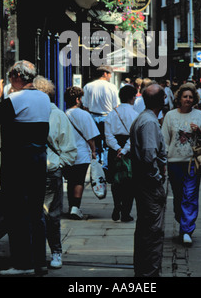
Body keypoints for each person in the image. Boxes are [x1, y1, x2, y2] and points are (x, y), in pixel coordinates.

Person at [0, 60, 51, 276]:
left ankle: (23, 263)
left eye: (12, 75)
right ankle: (39, 261)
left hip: (17, 161)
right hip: (38, 159)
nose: (10, 79)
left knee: (16, 211)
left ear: (18, 77)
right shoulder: (44, 97)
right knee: (35, 211)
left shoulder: (16, 98)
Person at [33, 76, 77, 269]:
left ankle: (56, 252)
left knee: (51, 215)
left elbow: (69, 147)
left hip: (50, 172)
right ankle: (36, 254)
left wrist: (57, 165)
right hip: (29, 172)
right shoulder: (27, 113)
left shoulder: (57, 115)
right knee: (35, 216)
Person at [162, 83, 201, 246]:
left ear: (194, 99)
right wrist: (164, 161)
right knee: (178, 196)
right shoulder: (170, 116)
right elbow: (164, 141)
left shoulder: (199, 115)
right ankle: (182, 220)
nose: (188, 99)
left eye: (190, 97)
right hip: (174, 162)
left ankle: (187, 230)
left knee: (190, 195)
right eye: (185, 97)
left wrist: (199, 133)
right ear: (179, 99)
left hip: (192, 162)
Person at [130, 83, 167, 277]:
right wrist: (157, 180)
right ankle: (149, 275)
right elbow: (149, 155)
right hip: (149, 185)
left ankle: (143, 273)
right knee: (152, 232)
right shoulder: (149, 122)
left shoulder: (144, 119)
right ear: (162, 100)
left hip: (143, 183)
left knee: (145, 230)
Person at [64, 86, 100, 219]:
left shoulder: (63, 114)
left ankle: (70, 206)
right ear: (78, 99)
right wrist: (94, 151)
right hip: (82, 153)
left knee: (70, 181)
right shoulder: (85, 115)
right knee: (79, 181)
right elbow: (90, 137)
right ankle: (75, 207)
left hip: (67, 153)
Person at [105, 84, 138, 222]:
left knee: (116, 181)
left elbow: (108, 135)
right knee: (130, 182)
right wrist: (124, 150)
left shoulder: (112, 114)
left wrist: (117, 148)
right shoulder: (136, 115)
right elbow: (134, 136)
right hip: (129, 151)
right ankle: (126, 212)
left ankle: (116, 204)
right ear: (133, 98)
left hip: (114, 150)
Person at [82, 65, 119, 166]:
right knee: (107, 144)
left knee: (96, 145)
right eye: (110, 74)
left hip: (93, 117)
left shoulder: (88, 86)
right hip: (107, 117)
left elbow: (85, 106)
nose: (110, 77)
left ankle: (97, 168)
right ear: (105, 74)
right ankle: (105, 168)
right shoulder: (112, 87)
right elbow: (116, 106)